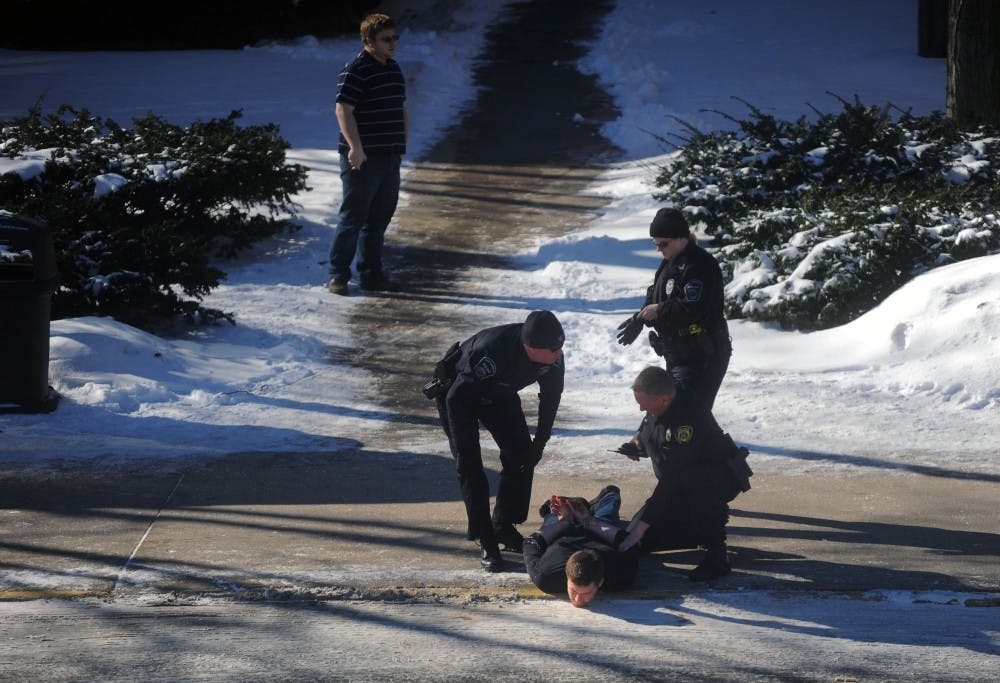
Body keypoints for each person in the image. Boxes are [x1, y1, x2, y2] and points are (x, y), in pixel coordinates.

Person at [430, 310, 565, 572]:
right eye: (553, 350)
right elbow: (456, 397)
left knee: (522, 456)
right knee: (470, 467)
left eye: (561, 347)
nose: (559, 354)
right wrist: (464, 447)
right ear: (531, 349)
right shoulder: (493, 350)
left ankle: (502, 524)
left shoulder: (553, 355)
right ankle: (486, 537)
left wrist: (540, 444)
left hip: (499, 392)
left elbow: (551, 400)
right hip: (459, 396)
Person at [616, 366, 752, 581]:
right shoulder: (660, 403)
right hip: (678, 485)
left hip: (714, 480)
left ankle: (717, 552)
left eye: (644, 403)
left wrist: (642, 527)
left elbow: (671, 477)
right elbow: (650, 429)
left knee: (691, 479)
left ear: (663, 400)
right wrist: (637, 444)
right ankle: (695, 529)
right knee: (638, 542)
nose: (641, 408)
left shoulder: (689, 419)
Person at [615, 207, 732, 409]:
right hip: (678, 352)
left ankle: (714, 442)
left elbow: (692, 308)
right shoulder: (670, 263)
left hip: (701, 354)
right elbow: (655, 295)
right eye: (655, 244)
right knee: (681, 414)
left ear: (681, 238)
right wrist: (640, 319)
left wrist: (659, 310)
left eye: (663, 244)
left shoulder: (699, 265)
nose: (659, 249)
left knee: (687, 415)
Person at [327, 12, 408, 296]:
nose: (393, 44)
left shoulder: (393, 68)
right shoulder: (356, 69)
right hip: (363, 158)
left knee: (379, 219)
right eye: (386, 39)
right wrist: (355, 147)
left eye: (395, 38)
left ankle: (372, 273)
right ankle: (338, 275)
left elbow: (400, 108)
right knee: (353, 218)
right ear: (368, 41)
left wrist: (402, 144)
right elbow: (343, 109)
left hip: (389, 155)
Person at [523, 486, 639, 607]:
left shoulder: (619, 576)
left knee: (609, 507)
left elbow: (531, 542)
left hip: (594, 534)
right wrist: (565, 523)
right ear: (566, 578)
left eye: (586, 593)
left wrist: (590, 522)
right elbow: (629, 542)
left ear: (600, 582)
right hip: (565, 534)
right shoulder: (548, 576)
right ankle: (571, 507)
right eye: (573, 591)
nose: (578, 598)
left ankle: (589, 502)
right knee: (556, 514)